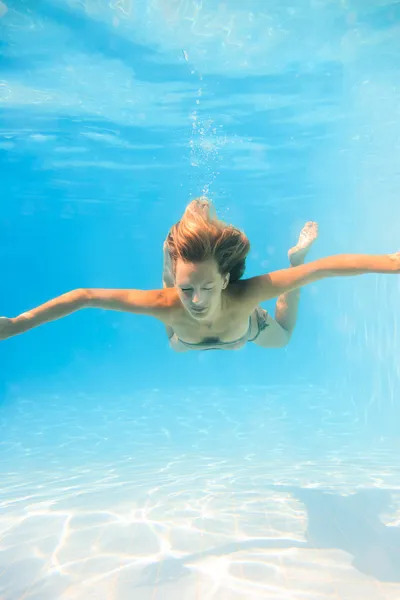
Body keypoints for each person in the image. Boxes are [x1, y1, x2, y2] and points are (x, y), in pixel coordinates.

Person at [0, 197, 399, 350]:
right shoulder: (172, 300)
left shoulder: (243, 293)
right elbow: (84, 296)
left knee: (284, 335)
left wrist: (393, 262)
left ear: (225, 279)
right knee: (168, 301)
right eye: (188, 288)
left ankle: (288, 260)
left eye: (207, 286)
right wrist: (18, 324)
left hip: (246, 329)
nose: (197, 300)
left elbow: (322, 269)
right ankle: (171, 258)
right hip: (183, 332)